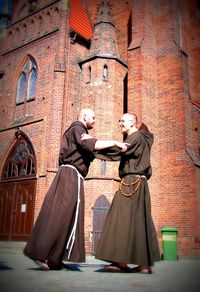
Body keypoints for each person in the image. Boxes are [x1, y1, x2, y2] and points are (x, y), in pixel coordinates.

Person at [23, 108, 128, 270]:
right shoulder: (77, 128)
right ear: (84, 117)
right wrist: (115, 142)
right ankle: (38, 252)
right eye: (92, 117)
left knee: (68, 216)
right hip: (69, 175)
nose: (94, 120)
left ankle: (54, 259)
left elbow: (97, 151)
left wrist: (122, 151)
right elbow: (90, 144)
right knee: (59, 214)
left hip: (74, 176)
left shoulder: (81, 132)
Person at [93, 113, 160, 273]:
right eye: (119, 121)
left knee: (120, 218)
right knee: (139, 221)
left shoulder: (134, 137)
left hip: (131, 183)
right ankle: (144, 265)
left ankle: (120, 262)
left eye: (122, 121)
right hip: (140, 183)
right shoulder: (142, 138)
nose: (120, 123)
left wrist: (92, 148)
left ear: (132, 122)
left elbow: (118, 151)